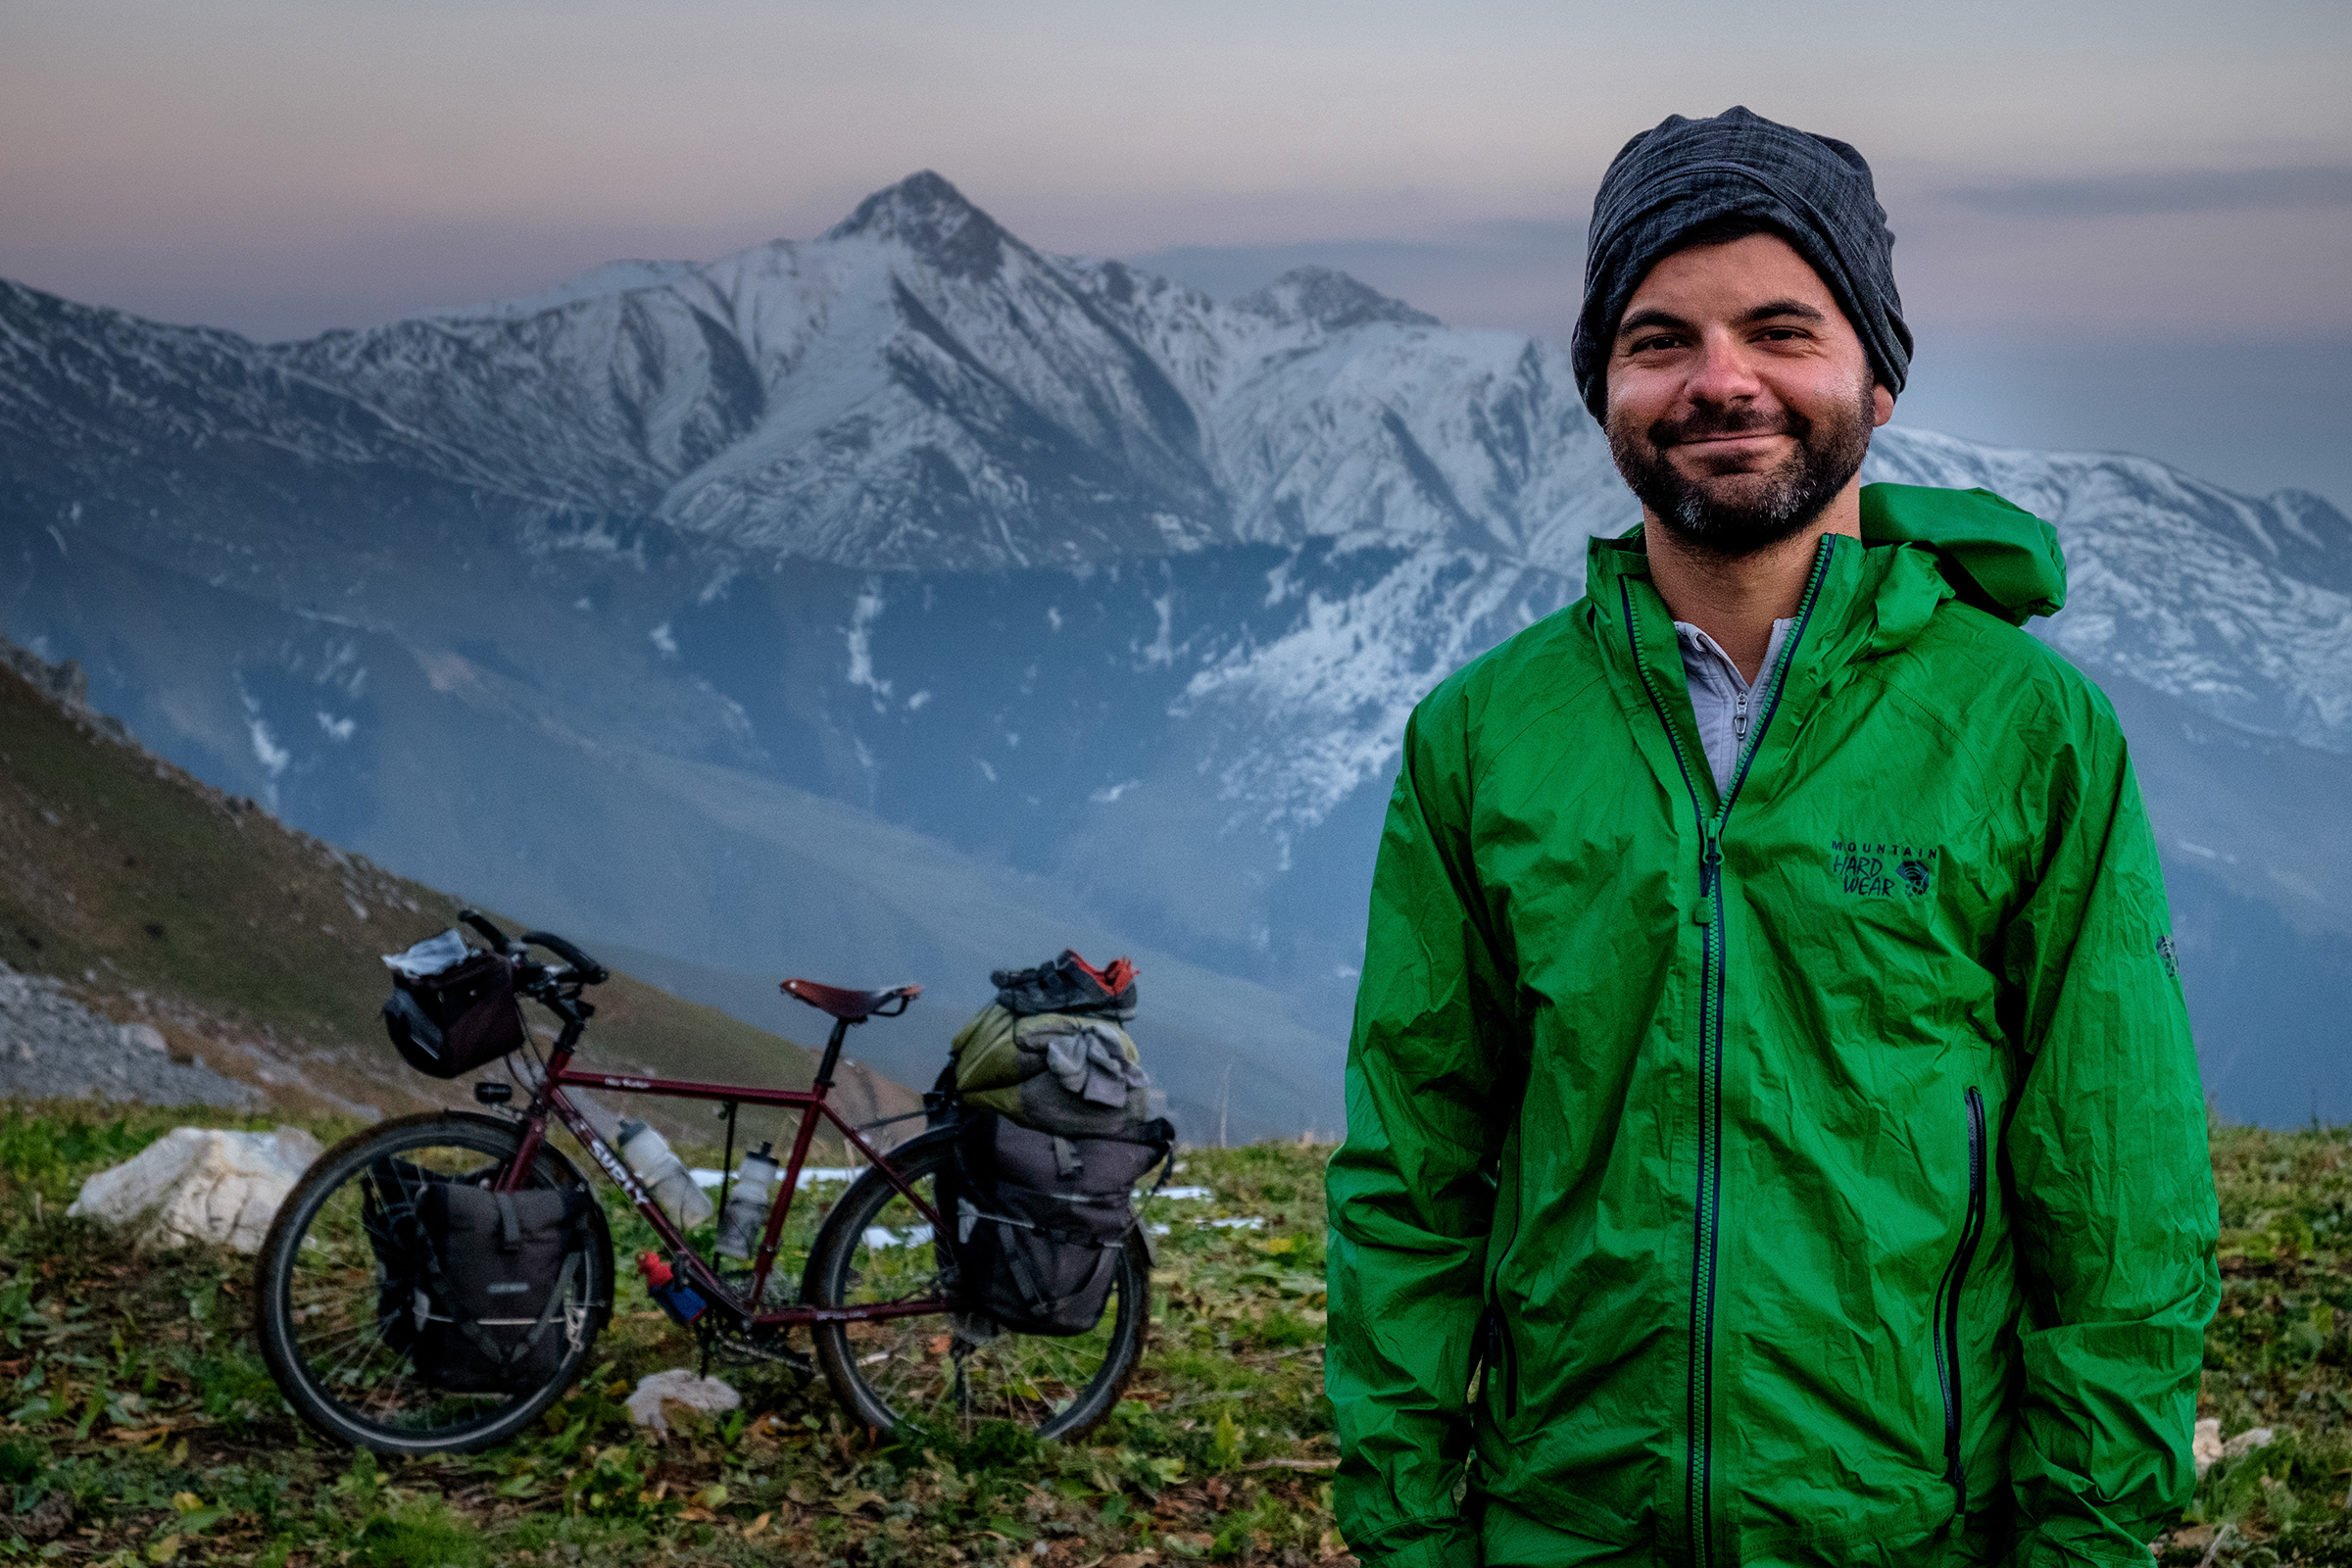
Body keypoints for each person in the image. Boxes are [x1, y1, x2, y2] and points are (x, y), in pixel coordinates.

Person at [1324, 106, 2219, 1567]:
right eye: (1659, 338)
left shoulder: (2027, 727)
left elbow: (2118, 1196)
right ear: (1604, 385)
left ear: (1876, 377)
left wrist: (2087, 1542)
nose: (1718, 380)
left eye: (1782, 330)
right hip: (1566, 1533)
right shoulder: (1482, 735)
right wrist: (1413, 1533)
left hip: (1909, 1534)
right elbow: (1413, 1174)